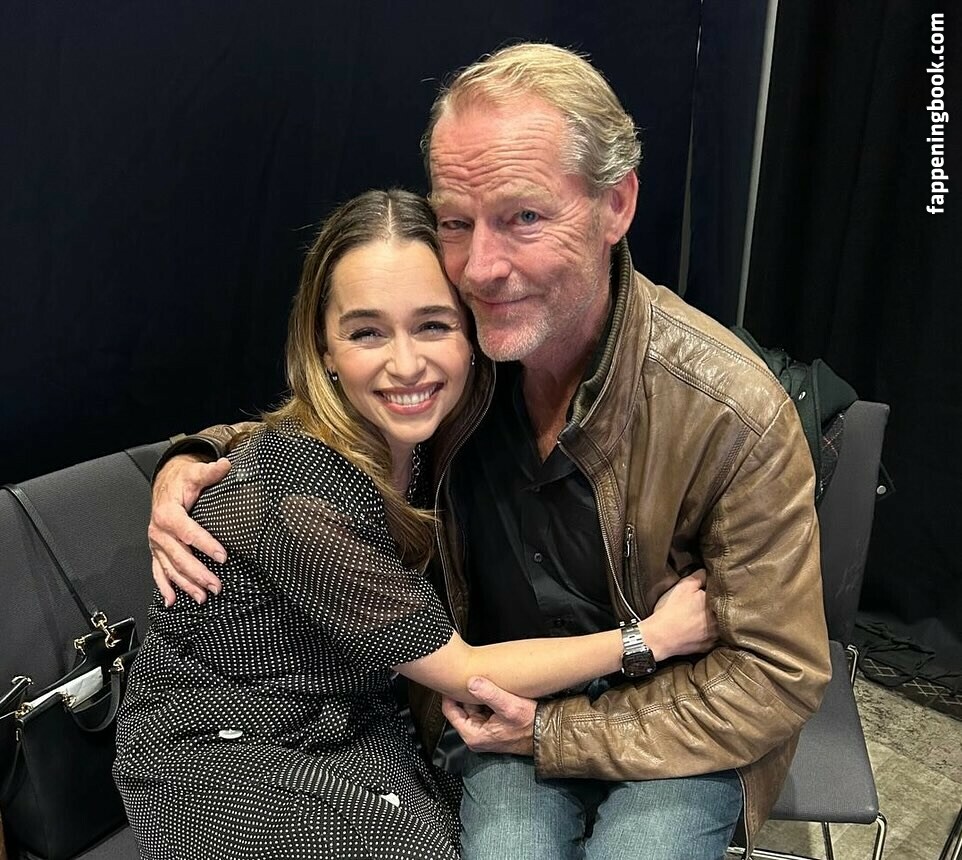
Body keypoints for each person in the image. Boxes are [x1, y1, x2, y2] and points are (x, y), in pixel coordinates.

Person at [146, 45, 831, 859]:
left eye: (524, 217)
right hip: (491, 703)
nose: (481, 267)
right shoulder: (471, 349)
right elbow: (335, 421)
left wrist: (555, 730)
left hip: (675, 716)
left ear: (616, 205)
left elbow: (777, 672)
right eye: (457, 222)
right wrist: (194, 458)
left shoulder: (733, 412)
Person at [115, 188, 716, 860]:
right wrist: (650, 638)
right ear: (324, 346)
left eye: (432, 325)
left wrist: (190, 450)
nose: (405, 365)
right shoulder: (298, 496)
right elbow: (464, 671)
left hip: (353, 719)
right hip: (221, 750)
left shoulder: (436, 438)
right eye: (367, 332)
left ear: (472, 332)